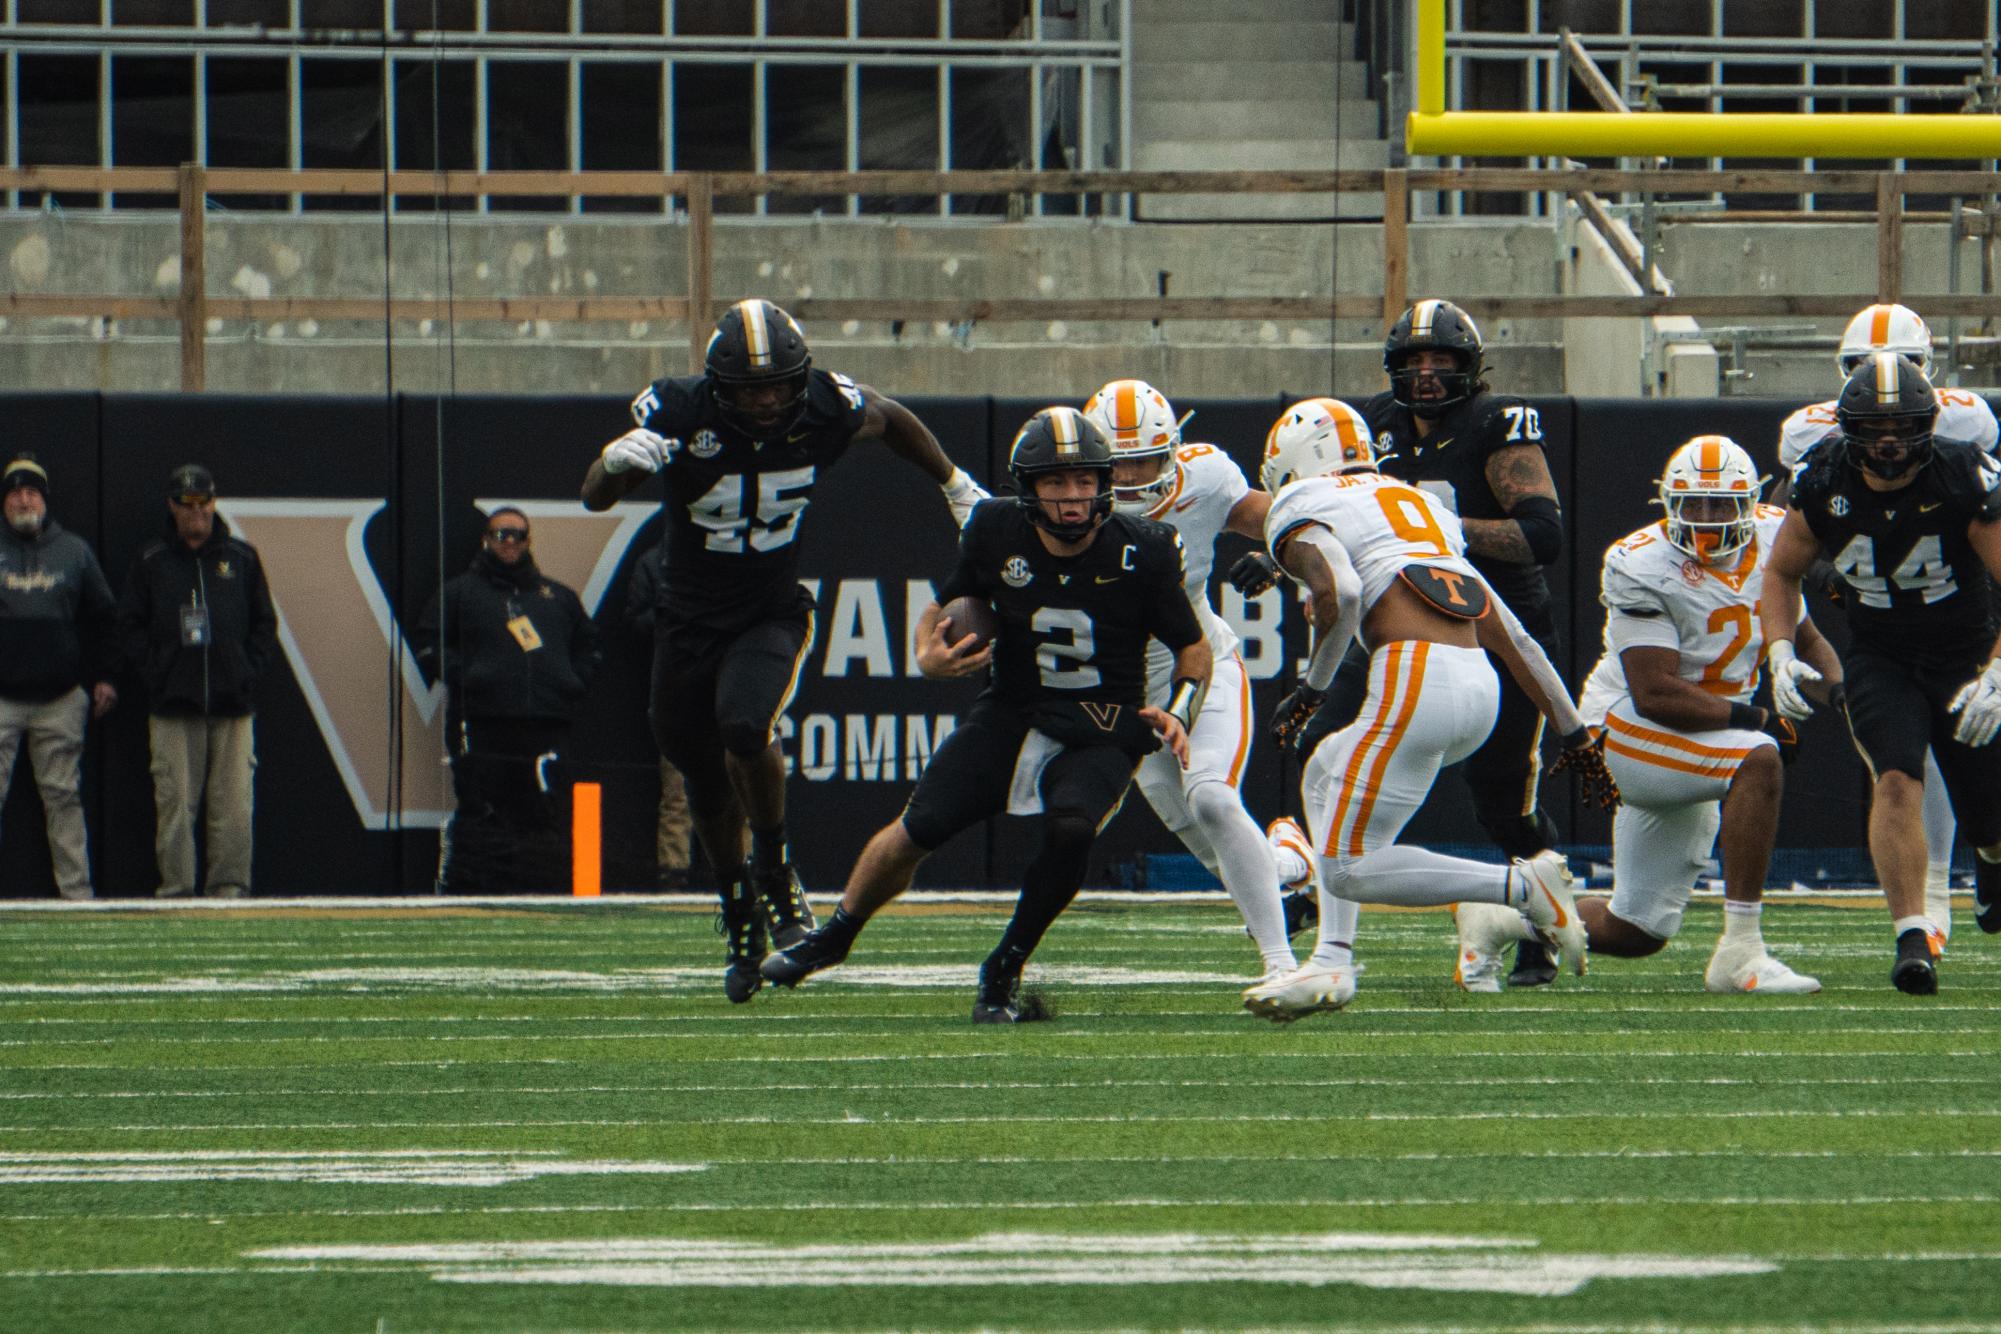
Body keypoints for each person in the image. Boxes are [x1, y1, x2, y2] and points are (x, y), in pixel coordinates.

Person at [581, 298, 988, 999]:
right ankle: (736, 900)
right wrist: (614, 463)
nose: (767, 401)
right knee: (703, 780)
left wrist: (952, 484)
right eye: (750, 389)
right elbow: (595, 496)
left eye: (777, 385)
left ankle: (773, 868)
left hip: (768, 609)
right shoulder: (678, 411)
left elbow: (889, 417)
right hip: (686, 617)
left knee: (745, 724)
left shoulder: (826, 406)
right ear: (719, 386)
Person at [758, 408, 1210, 1021]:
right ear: (1028, 487)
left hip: (1102, 721)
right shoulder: (995, 529)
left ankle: (1004, 967)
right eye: (1056, 482)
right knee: (918, 829)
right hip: (1014, 709)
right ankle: (835, 935)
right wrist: (927, 653)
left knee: (1073, 829)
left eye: (1084, 481)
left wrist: (1182, 709)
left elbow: (1193, 646)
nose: (1074, 497)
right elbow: (945, 603)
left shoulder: (1145, 548)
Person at [1239, 399, 1617, 1022]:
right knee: (1325, 768)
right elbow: (1514, 636)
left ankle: (1523, 888)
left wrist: (1314, 686)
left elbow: (1343, 589)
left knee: (1345, 868)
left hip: (1414, 678)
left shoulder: (1300, 504)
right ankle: (1333, 959)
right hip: (1478, 688)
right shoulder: (1421, 508)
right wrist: (1574, 735)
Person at [1455, 437, 1840, 994]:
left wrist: (1847, 698)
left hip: (1704, 737)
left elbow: (1806, 637)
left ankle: (1500, 916)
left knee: (1636, 929)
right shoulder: (1639, 561)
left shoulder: (1775, 535)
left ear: (1751, 503)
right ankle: (1742, 951)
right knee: (1759, 760)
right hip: (1625, 725)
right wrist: (1755, 719)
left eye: (1720, 505)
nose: (1707, 519)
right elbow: (1655, 692)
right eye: (1694, 504)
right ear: (1668, 502)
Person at [1762, 352, 2001, 994]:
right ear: (1848, 430)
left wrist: (1999, 673)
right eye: (1873, 427)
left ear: (1929, 426)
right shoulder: (1821, 480)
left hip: (1966, 658)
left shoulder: (1961, 478)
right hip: (1882, 657)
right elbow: (1781, 572)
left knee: (1991, 816)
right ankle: (1912, 937)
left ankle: (1989, 855)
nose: (1889, 442)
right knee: (1895, 779)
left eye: (1902, 426)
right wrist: (1780, 649)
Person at [1079, 378, 1300, 983]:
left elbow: (1286, 522)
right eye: (1116, 466)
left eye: (1143, 462)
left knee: (1212, 796)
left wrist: (1282, 560)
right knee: (1203, 837)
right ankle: (1287, 865)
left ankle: (1282, 966)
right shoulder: (1064, 504)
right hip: (1123, 689)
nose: (1128, 481)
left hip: (1199, 661)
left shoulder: (1203, 480)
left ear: (1173, 449)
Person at [415, 507, 601, 894]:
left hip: (547, 724)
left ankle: (547, 891)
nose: (510, 542)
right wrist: (469, 678)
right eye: (502, 534)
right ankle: (471, 893)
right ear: (486, 539)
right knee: (481, 808)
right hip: (483, 722)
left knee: (547, 810)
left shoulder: (557, 597)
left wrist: (571, 682)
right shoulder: (460, 593)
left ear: (529, 540)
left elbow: (589, 647)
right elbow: (430, 643)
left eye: (517, 534)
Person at [117, 463, 278, 900]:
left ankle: (228, 891)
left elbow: (265, 624)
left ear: (214, 502)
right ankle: (177, 891)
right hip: (173, 707)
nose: (197, 512)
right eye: (187, 504)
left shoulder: (241, 559)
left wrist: (246, 672)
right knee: (174, 806)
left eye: (204, 502)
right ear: (172, 506)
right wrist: (157, 675)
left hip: (232, 705)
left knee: (233, 810)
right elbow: (128, 625)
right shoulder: (151, 561)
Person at [0, 453, 118, 900]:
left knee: (63, 797)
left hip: (60, 697)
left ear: (44, 501)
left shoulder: (74, 550)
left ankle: (77, 898)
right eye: (14, 493)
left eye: (31, 493)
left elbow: (106, 617)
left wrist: (106, 676)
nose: (23, 500)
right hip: (3, 698)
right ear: (4, 502)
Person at [623, 542, 694, 889]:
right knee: (677, 791)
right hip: (678, 689)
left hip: (730, 687)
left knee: (740, 788)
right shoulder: (656, 562)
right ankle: (673, 874)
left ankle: (749, 872)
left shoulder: (736, 554)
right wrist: (673, 613)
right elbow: (637, 619)